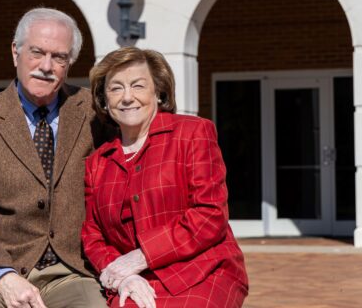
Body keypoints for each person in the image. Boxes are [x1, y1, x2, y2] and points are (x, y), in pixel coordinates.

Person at [0, 8, 107, 308]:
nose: (46, 66)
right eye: (37, 52)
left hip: (70, 271)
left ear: (69, 63)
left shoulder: (94, 114)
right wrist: (3, 275)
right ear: (15, 52)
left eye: (59, 57)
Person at [82, 47, 249, 308]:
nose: (127, 97)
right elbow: (92, 236)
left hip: (202, 270)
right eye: (115, 89)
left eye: (138, 86)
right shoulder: (97, 163)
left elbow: (210, 214)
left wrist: (141, 257)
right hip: (135, 278)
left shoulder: (193, 133)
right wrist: (120, 274)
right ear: (104, 100)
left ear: (158, 92)